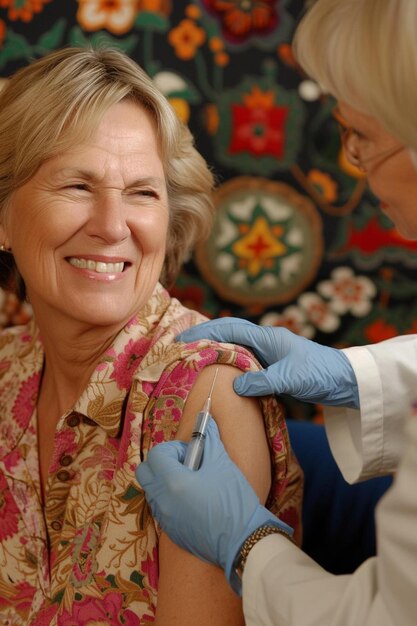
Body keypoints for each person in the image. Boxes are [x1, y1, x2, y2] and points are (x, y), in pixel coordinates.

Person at [0, 47, 303, 625]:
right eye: (76, 186)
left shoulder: (205, 390)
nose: (113, 226)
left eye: (142, 192)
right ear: (4, 217)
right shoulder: (5, 368)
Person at [136, 0, 417, 624]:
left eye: (362, 137)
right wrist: (359, 378)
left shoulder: (205, 385)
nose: (354, 162)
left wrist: (246, 544)